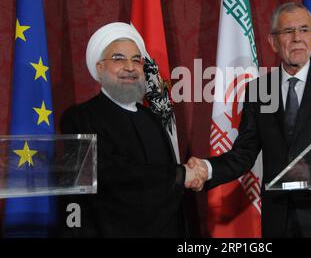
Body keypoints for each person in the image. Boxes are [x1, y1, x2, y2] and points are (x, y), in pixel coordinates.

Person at [186, 3, 311, 237]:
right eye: (288, 31)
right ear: (273, 42)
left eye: (304, 30)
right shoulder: (260, 90)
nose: (297, 38)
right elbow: (244, 153)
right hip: (279, 221)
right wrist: (207, 169)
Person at [58, 22, 204, 237]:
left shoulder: (152, 119)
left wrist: (188, 176)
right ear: (99, 68)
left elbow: (169, 185)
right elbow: (109, 172)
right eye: (118, 59)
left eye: (136, 60)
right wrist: (182, 174)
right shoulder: (80, 117)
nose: (130, 67)